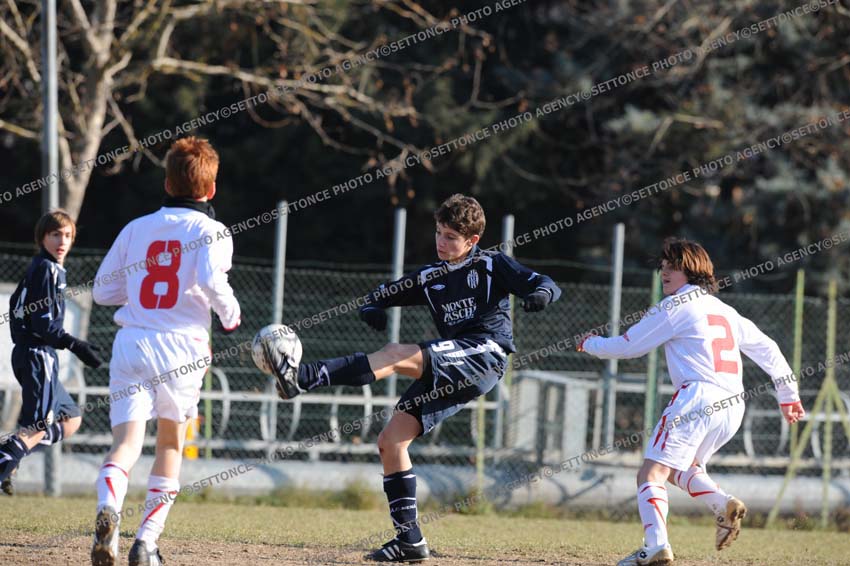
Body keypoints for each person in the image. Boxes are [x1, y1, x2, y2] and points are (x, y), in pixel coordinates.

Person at [263, 194, 562, 563]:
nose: (441, 242)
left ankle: (303, 377)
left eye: (451, 236)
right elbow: (384, 293)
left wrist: (540, 295)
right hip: (453, 362)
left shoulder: (490, 264)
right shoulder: (431, 275)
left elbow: (544, 282)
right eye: (438, 232)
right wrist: (372, 306)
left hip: (484, 354)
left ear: (472, 240)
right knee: (391, 442)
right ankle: (410, 541)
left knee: (393, 353)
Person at [577, 238, 805, 566]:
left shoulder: (675, 306)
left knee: (650, 475)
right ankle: (722, 504)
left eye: (673, 266)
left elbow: (628, 346)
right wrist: (788, 394)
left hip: (697, 397)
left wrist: (591, 343)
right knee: (681, 469)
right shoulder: (725, 311)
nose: (664, 272)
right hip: (732, 404)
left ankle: (656, 545)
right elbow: (768, 348)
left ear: (694, 270)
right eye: (662, 266)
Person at [90, 137, 241, 566]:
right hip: (181, 348)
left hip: (132, 341)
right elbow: (211, 281)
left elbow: (102, 292)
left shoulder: (135, 228)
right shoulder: (211, 231)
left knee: (125, 444)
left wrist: (139, 294)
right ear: (211, 189)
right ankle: (146, 543)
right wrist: (231, 316)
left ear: (167, 183)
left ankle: (109, 509)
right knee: (170, 447)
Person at [0, 211, 103, 494]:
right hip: (38, 354)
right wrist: (75, 344)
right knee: (38, 425)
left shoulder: (41, 267)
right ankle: (7, 458)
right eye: (55, 234)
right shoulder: (47, 269)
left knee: (71, 418)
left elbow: (19, 307)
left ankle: (11, 452)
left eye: (68, 235)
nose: (62, 241)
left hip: (32, 353)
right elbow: (44, 325)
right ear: (42, 237)